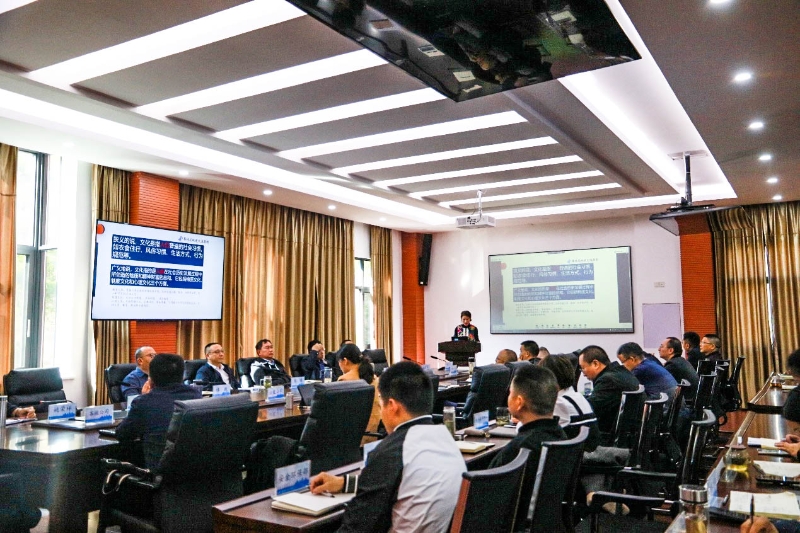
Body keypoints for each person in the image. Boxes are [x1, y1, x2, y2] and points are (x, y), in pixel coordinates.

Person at [309, 362, 466, 533]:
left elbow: (356, 527)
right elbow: (405, 482)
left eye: (380, 404)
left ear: (392, 406)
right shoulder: (446, 440)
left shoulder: (393, 451)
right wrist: (345, 482)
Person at [487, 364, 567, 529]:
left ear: (519, 402)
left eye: (510, 393)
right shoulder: (560, 435)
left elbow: (489, 499)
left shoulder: (520, 449)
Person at [115, 353, 202, 468]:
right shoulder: (196, 395)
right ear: (182, 376)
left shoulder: (144, 401)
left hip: (159, 472)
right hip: (192, 468)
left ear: (151, 377)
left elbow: (123, 434)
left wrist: (143, 397)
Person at [578, 345, 640, 441]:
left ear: (595, 363)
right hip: (630, 434)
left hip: (612, 438)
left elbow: (589, 409)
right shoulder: (620, 372)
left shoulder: (608, 380)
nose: (583, 373)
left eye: (583, 368)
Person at [540, 354, 599, 451]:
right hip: (585, 453)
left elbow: (538, 433)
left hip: (578, 457)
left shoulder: (559, 403)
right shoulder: (578, 397)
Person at [337, 343, 381, 439]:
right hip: (374, 431)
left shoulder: (345, 379)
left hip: (353, 435)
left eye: (339, 362)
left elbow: (339, 411)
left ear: (345, 361)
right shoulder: (373, 377)